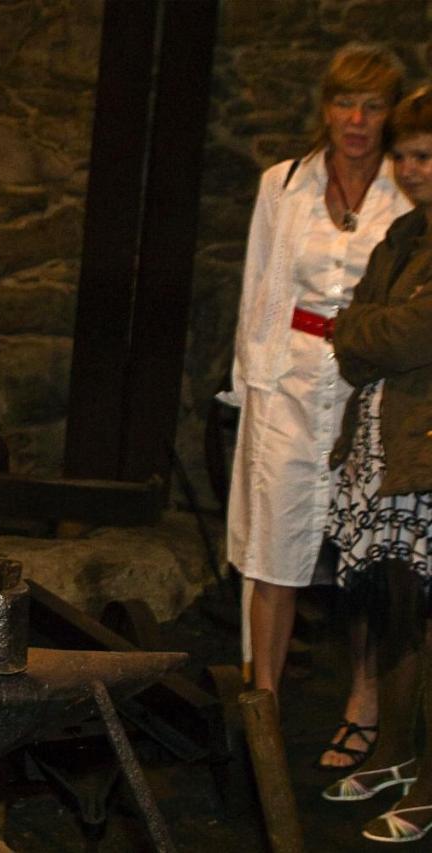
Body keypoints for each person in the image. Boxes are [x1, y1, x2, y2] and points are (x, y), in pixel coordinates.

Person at [224, 42, 409, 771]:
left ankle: (362, 704)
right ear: (325, 108)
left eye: (372, 106)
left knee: (366, 555)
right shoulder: (286, 183)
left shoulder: (410, 188)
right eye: (344, 103)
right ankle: (260, 703)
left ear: (391, 116)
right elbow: (260, 287)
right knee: (274, 550)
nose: (356, 120)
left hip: (374, 386)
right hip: (291, 383)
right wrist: (251, 385)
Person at [318, 83, 432, 843]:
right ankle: (396, 752)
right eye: (404, 154)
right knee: (396, 611)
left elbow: (409, 335)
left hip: (425, 452)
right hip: (384, 447)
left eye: (423, 154)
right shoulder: (403, 237)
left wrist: (367, 329)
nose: (409, 167)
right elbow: (353, 331)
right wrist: (368, 329)